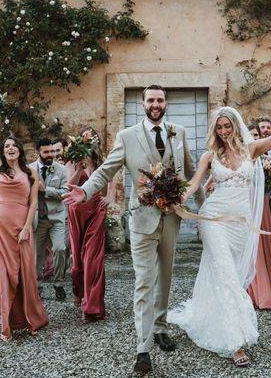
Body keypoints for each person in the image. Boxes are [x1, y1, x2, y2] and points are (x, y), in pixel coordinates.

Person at [62, 85, 203, 374]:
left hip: (171, 217)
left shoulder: (179, 131)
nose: (155, 104)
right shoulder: (127, 137)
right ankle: (143, 348)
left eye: (160, 99)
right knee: (143, 281)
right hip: (141, 220)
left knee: (166, 274)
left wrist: (206, 206)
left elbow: (189, 170)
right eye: (150, 100)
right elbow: (106, 170)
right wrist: (86, 191)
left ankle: (161, 325)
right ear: (142, 103)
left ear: (166, 103)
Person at [170, 104, 271, 367]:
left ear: (236, 126)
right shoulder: (210, 156)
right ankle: (236, 343)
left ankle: (212, 317)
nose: (224, 131)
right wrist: (171, 198)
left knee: (227, 276)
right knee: (227, 274)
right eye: (219, 128)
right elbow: (194, 184)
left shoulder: (251, 150)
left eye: (227, 126)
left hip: (240, 224)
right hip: (214, 220)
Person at [0, 99, 48, 341]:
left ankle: (29, 317)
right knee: (2, 273)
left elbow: (34, 203)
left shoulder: (31, 173)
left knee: (24, 274)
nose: (9, 148)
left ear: (19, 149)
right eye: (5, 146)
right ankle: (7, 322)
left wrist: (27, 227)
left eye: (13, 145)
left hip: (21, 228)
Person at [65, 127, 114, 322]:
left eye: (91, 139)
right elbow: (70, 185)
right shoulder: (72, 161)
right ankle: (78, 290)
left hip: (96, 210)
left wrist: (109, 197)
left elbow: (111, 183)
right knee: (77, 263)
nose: (88, 142)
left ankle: (92, 308)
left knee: (92, 259)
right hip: (77, 212)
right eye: (84, 138)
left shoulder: (103, 163)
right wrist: (78, 169)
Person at [246, 121, 271, 310]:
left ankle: (269, 285)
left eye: (256, 135)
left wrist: (269, 172)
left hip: (263, 205)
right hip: (246, 205)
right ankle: (251, 288)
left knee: (267, 247)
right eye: (251, 134)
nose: (254, 138)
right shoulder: (242, 156)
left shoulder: (266, 158)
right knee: (250, 246)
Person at [32, 137, 69, 300]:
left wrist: (46, 189)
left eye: (52, 151)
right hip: (37, 218)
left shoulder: (61, 169)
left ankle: (58, 283)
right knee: (36, 255)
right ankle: (37, 285)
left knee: (60, 248)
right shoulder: (29, 169)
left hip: (56, 218)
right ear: (38, 152)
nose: (50, 155)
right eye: (46, 152)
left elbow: (65, 192)